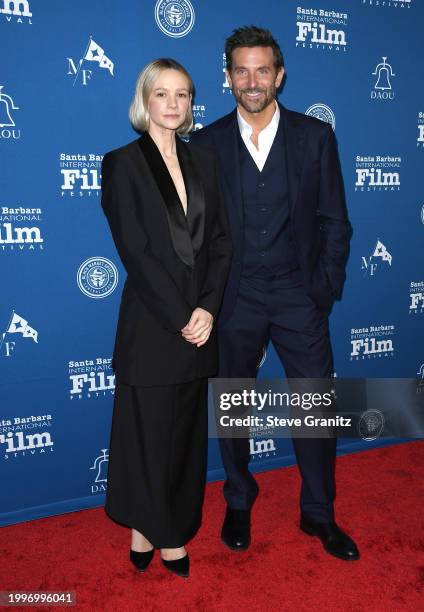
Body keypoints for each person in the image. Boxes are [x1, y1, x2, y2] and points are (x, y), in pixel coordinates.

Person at [192, 27, 359, 561]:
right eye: (241, 70)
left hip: (297, 295)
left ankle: (319, 513)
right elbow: (197, 232)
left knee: (314, 406)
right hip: (234, 297)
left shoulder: (315, 138)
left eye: (262, 69)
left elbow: (336, 221)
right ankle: (238, 497)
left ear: (279, 75)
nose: (252, 80)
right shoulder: (208, 142)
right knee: (233, 404)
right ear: (227, 77)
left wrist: (322, 292)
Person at [101, 58, 232, 577]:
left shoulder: (206, 162)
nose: (173, 104)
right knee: (146, 436)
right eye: (162, 94)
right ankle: (142, 526)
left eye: (183, 94)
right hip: (154, 325)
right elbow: (135, 251)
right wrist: (182, 314)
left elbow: (222, 243)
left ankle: (172, 534)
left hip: (199, 323)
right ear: (145, 100)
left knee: (184, 440)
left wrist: (207, 309)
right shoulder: (121, 163)